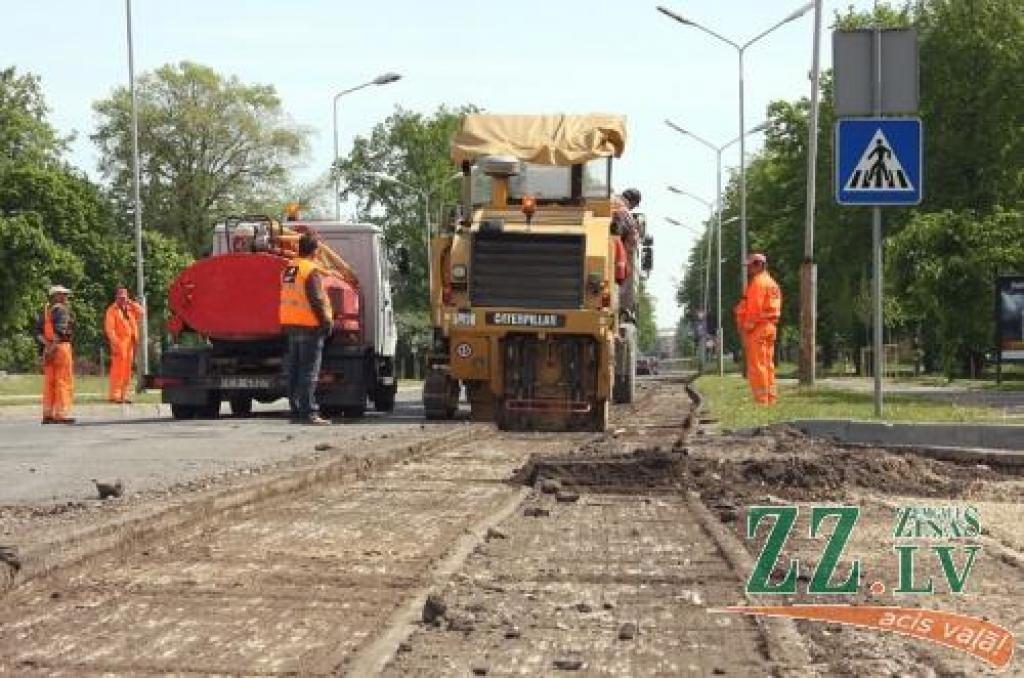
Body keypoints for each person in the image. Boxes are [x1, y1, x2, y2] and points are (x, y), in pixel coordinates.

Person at [279, 232, 333, 425]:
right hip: (310, 326)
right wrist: (326, 322)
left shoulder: (289, 268)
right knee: (309, 372)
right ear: (315, 250)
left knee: (294, 371)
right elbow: (317, 300)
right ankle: (309, 412)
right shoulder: (310, 270)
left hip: (291, 326)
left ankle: (295, 410)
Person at [734, 253, 782, 404]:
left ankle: (761, 400)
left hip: (758, 328)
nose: (748, 268)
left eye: (751, 265)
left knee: (757, 365)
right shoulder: (772, 283)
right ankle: (770, 398)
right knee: (768, 364)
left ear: (760, 265)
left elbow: (754, 310)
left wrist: (745, 327)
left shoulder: (758, 283)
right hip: (770, 326)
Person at [37, 285, 75, 424]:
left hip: (48, 349)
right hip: (61, 349)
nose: (66, 297)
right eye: (63, 294)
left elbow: (38, 333)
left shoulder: (46, 310)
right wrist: (53, 347)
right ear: (56, 295)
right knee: (63, 381)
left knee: (49, 383)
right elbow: (60, 332)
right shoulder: (62, 310)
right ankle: (62, 413)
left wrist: (46, 349)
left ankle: (48, 414)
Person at [104, 287, 144, 403]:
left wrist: (131, 302)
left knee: (127, 371)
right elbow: (109, 329)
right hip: (119, 343)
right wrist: (115, 343)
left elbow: (142, 312)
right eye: (120, 296)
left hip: (130, 343)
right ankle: (114, 396)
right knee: (117, 371)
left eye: (124, 296)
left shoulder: (130, 308)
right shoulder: (112, 310)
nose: (122, 299)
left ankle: (124, 395)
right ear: (116, 297)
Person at [611, 188, 642, 319]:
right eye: (634, 205)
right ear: (633, 201)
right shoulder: (624, 211)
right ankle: (622, 308)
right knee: (626, 272)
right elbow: (632, 241)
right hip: (613, 253)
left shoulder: (608, 200)